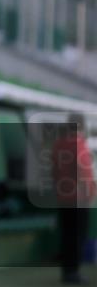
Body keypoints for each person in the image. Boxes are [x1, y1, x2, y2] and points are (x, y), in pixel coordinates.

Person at [54, 114, 95, 285]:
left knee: (67, 234)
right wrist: (91, 192)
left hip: (64, 197)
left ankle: (67, 270)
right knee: (78, 236)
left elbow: (54, 172)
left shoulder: (58, 145)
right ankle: (73, 272)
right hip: (79, 198)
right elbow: (84, 172)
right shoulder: (79, 145)